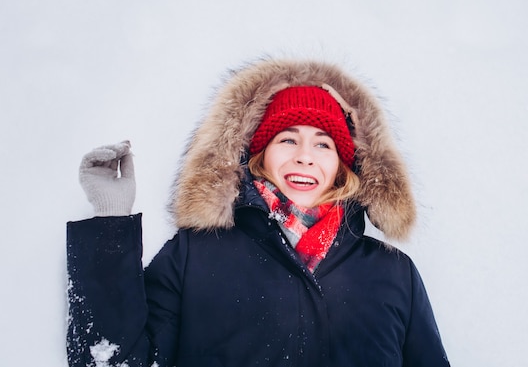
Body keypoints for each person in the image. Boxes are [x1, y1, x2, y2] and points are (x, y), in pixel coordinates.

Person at [66, 58, 450, 367]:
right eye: (287, 139)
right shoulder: (194, 256)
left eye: (323, 144)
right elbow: (111, 361)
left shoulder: (393, 273)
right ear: (259, 155)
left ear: (342, 167)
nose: (304, 155)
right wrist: (110, 222)